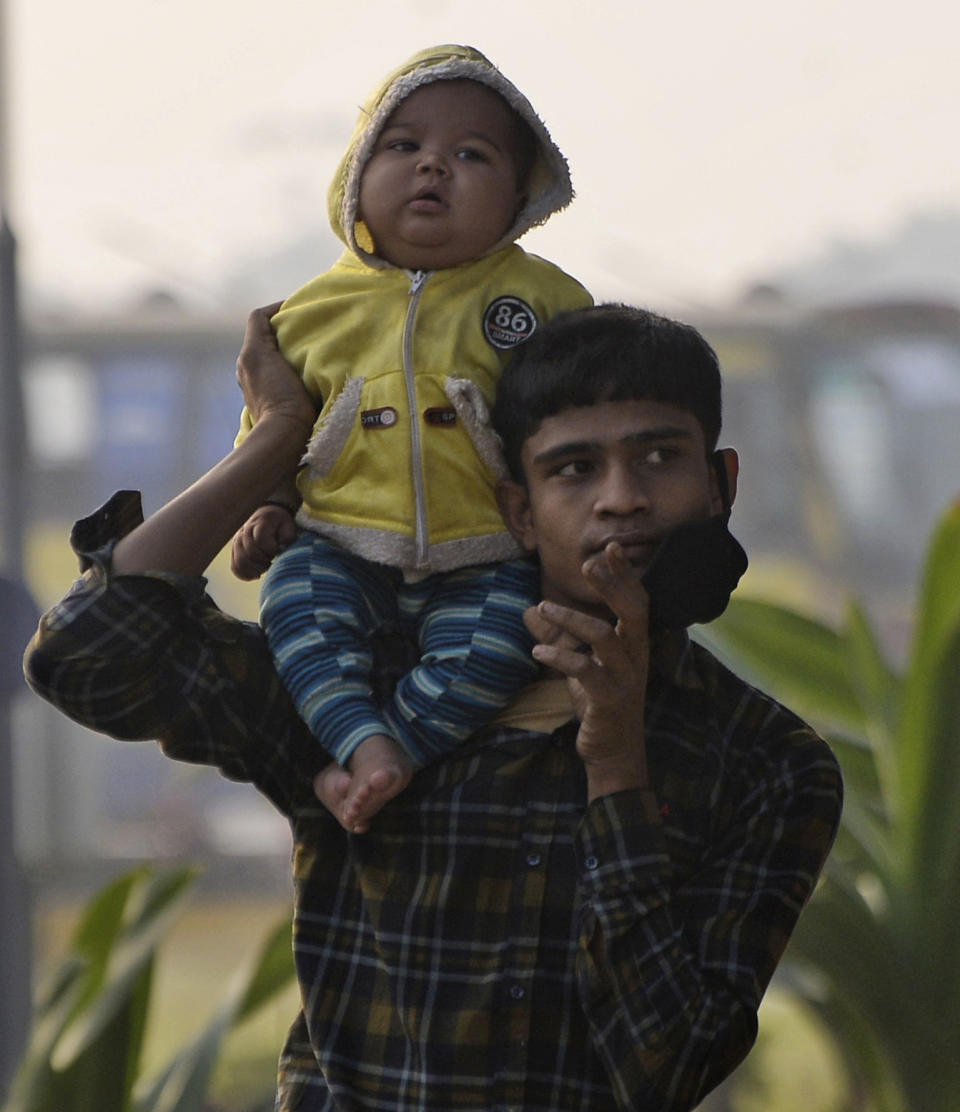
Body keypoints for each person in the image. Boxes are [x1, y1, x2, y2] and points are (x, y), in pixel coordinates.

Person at [24, 303, 842, 1111]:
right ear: (516, 510)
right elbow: (86, 655)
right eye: (573, 469)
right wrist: (276, 440)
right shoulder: (362, 691)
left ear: (720, 484)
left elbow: (669, 1070)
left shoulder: (769, 762)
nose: (620, 498)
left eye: (660, 456)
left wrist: (618, 764)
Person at [231, 44, 591, 832]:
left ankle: (379, 752)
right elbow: (269, 423)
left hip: (491, 550)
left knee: (501, 645)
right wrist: (268, 505)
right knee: (294, 608)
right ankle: (365, 745)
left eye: (471, 154)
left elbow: (589, 420)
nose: (434, 167)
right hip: (340, 543)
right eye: (404, 147)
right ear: (358, 172)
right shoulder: (313, 312)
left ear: (520, 197)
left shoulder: (549, 301)